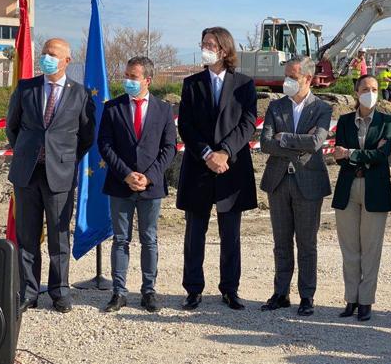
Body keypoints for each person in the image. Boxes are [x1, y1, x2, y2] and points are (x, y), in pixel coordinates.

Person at [6, 38, 95, 313]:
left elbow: (86, 137)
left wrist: (64, 159)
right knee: (27, 237)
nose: (47, 57)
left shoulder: (80, 94)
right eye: (44, 53)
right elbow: (12, 128)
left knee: (59, 238)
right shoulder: (26, 88)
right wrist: (27, 152)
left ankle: (59, 292)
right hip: (27, 173)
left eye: (53, 54)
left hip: (60, 175)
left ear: (67, 60)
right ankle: (28, 291)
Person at [177, 27, 257, 311]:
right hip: (199, 167)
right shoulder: (191, 83)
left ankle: (230, 289)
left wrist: (224, 152)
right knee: (194, 234)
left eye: (210, 44)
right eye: (203, 44)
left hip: (230, 169)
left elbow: (248, 123)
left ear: (224, 50)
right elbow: (185, 124)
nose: (205, 48)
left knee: (231, 235)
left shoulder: (245, 84)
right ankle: (193, 289)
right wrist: (207, 153)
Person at [98, 57, 177, 313]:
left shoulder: (164, 110)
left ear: (147, 80)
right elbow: (105, 145)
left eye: (134, 77)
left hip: (151, 187)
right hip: (121, 185)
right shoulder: (112, 108)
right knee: (121, 239)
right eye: (127, 75)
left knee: (149, 239)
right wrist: (126, 174)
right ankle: (119, 292)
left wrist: (149, 176)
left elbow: (169, 148)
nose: (128, 81)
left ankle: (148, 291)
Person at [260, 56, 332, 316]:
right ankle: (281, 293)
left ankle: (307, 296)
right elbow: (266, 143)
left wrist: (285, 138)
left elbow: (316, 144)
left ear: (308, 79)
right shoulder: (275, 107)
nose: (286, 81)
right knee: (281, 242)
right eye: (286, 76)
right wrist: (299, 141)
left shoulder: (322, 108)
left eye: (293, 76)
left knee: (306, 243)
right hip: (278, 182)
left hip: (309, 183)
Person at [332, 74, 391, 321]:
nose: (371, 92)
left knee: (371, 249)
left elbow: (383, 155)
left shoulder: (386, 121)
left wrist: (351, 153)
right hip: (348, 188)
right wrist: (357, 154)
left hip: (375, 190)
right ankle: (351, 299)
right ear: (356, 92)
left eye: (375, 88)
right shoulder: (346, 121)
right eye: (366, 88)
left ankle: (366, 300)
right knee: (350, 249)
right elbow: (338, 154)